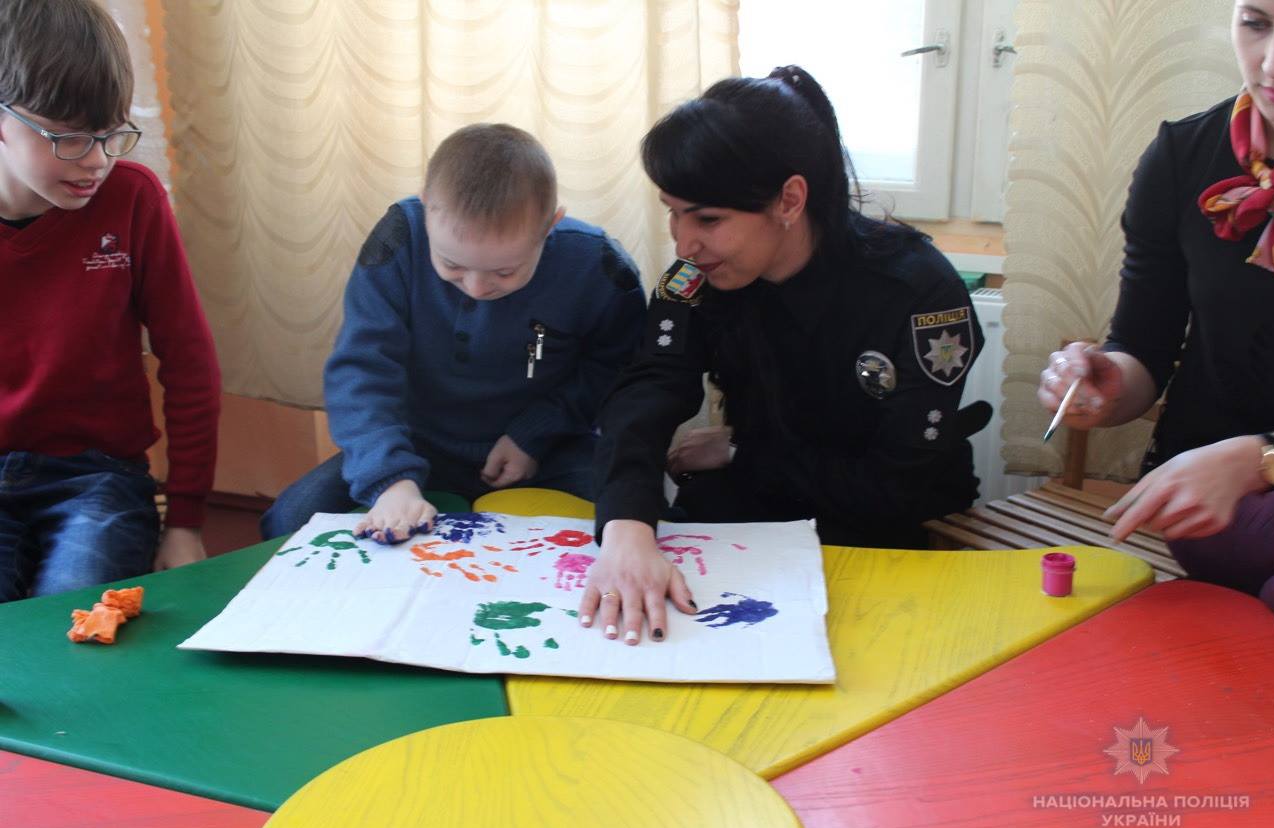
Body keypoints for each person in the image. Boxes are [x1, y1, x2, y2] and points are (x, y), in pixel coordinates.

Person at [582, 66, 987, 644]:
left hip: (880, 517)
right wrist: (625, 526)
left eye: (708, 219)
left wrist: (745, 450)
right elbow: (648, 388)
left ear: (790, 200)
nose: (683, 242)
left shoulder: (919, 292)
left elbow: (894, 484)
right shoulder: (691, 280)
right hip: (758, 496)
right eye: (673, 211)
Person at [260, 123, 646, 543]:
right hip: (416, 441)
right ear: (427, 208)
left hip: (549, 448)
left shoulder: (600, 268)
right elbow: (362, 371)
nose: (478, 288)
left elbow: (614, 371)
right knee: (292, 516)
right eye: (452, 265)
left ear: (550, 225)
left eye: (505, 270)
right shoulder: (398, 238)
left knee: (639, 518)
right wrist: (390, 481)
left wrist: (535, 434)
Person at [1038, 0, 1274, 618]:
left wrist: (1262, 460)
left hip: (1237, 491)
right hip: (1211, 506)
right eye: (1256, 24)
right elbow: (1143, 346)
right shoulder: (1184, 156)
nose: (1272, 63)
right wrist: (1104, 383)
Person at [0, 0, 221, 603]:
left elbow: (190, 362)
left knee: (74, 621)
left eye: (110, 133)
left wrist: (184, 522)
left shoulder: (134, 200)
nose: (96, 159)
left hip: (100, 479)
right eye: (67, 137)